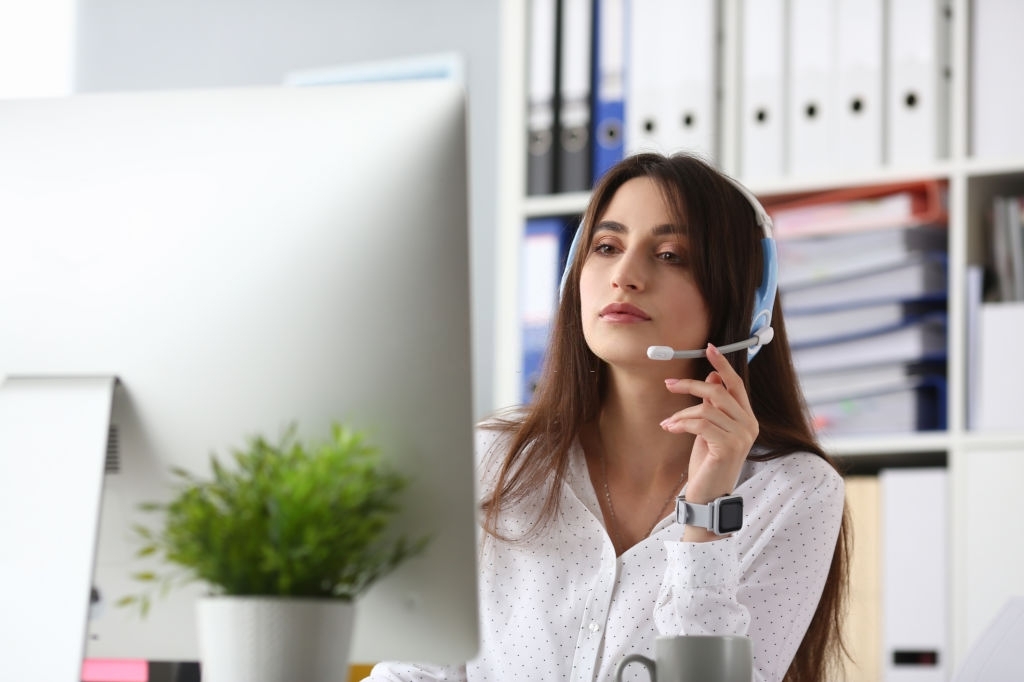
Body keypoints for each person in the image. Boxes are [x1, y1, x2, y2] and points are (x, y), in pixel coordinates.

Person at [367, 152, 849, 682]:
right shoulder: (488, 460)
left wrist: (708, 516)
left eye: (669, 255)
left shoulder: (794, 491)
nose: (624, 275)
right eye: (606, 247)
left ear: (744, 298)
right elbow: (413, 672)